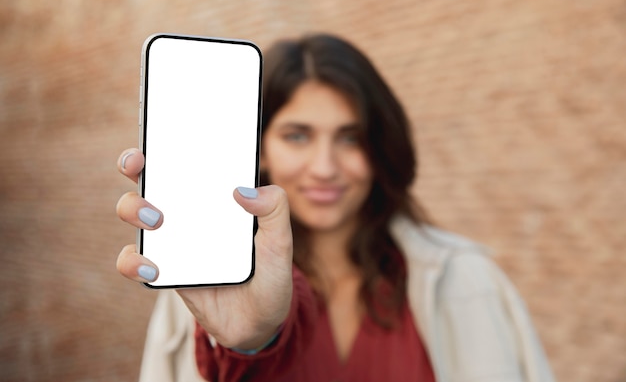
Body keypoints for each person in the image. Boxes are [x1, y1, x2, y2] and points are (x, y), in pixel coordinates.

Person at [115, 34, 556, 382]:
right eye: (297, 136)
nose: (325, 168)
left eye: (350, 137)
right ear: (260, 147)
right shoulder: (204, 293)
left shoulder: (469, 278)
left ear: (380, 146)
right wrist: (247, 343)